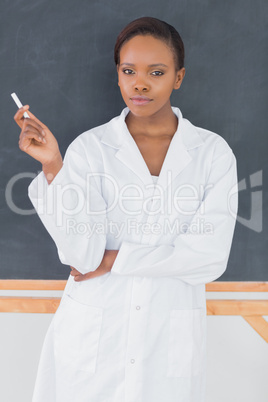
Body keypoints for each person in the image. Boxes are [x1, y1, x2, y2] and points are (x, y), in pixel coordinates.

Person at [14, 16, 238, 402]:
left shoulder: (211, 153)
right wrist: (53, 165)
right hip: (93, 340)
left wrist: (115, 258)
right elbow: (82, 257)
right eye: (129, 70)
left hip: (168, 341)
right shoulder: (90, 149)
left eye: (157, 72)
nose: (140, 83)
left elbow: (208, 259)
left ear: (179, 77)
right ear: (117, 75)